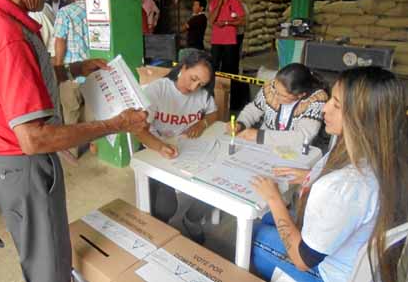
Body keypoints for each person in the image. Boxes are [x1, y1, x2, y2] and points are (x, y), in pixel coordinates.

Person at [0, 0, 148, 282]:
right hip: (23, 165)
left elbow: (10, 82)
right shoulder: (9, 36)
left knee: (34, 246)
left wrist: (73, 68)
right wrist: (117, 124)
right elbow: (35, 138)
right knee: (49, 260)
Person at [251, 67, 408, 282]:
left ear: (362, 117)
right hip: (361, 267)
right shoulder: (388, 158)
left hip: (325, 274)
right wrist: (311, 175)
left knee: (247, 233)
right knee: (267, 219)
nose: (325, 109)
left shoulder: (343, 186)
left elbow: (302, 260)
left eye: (336, 104)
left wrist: (274, 198)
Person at [136, 50, 217, 244]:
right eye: (193, 78)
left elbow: (213, 114)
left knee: (215, 187)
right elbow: (138, 130)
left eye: (201, 84)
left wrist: (201, 124)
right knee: (165, 208)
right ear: (183, 67)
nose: (195, 87)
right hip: (156, 151)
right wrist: (159, 146)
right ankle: (154, 236)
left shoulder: (203, 96)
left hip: (187, 149)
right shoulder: (157, 90)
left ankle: (192, 219)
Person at [228, 63, 328, 147]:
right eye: (275, 90)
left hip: (295, 151)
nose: (275, 96)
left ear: (301, 95)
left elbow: (302, 136)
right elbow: (253, 109)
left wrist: (259, 136)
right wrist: (240, 124)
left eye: (283, 96)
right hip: (264, 146)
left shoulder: (316, 100)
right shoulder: (271, 87)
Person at [54, 0, 90, 159]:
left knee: (71, 112)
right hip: (93, 69)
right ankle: (95, 145)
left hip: (72, 70)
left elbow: (60, 40)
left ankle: (73, 151)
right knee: (92, 109)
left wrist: (59, 66)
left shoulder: (65, 12)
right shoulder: (98, 10)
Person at [208, 0, 245, 110]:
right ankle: (213, 97)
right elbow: (211, 21)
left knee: (230, 69)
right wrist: (220, 3)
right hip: (216, 41)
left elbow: (242, 20)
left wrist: (227, 22)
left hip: (230, 40)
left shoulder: (234, 1)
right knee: (214, 68)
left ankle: (232, 101)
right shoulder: (213, 1)